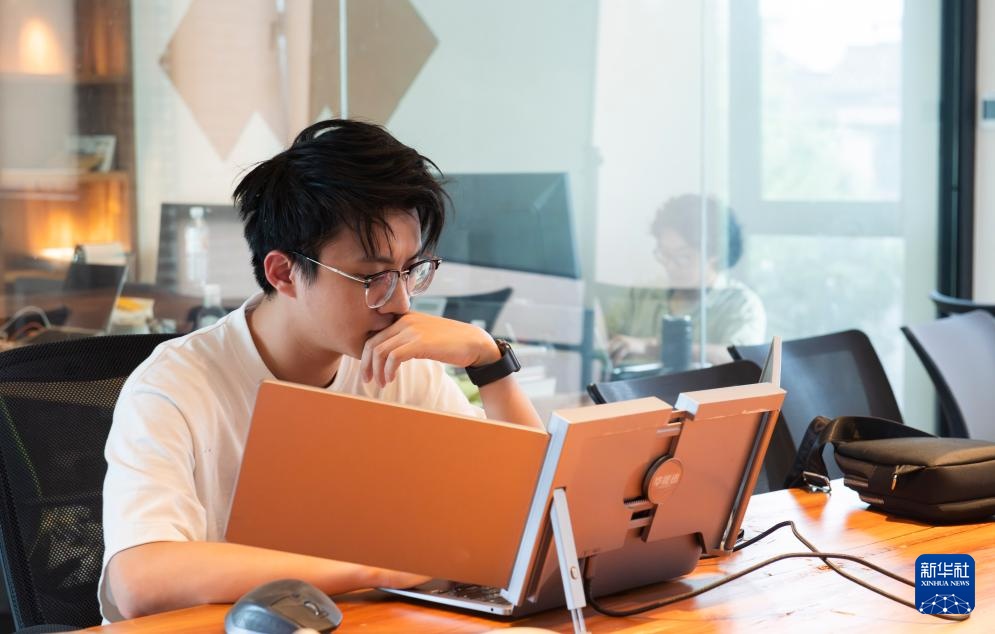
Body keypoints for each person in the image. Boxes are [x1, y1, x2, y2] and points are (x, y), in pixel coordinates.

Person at [99, 119, 543, 621]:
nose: (399, 302)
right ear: (283, 273)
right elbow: (141, 580)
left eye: (410, 271)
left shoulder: (399, 362)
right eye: (372, 277)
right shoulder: (174, 385)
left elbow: (530, 522)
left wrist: (489, 362)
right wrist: (375, 566)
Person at [603, 194, 766, 367]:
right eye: (664, 254)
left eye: (683, 258)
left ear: (715, 255)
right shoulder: (643, 293)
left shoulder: (741, 304)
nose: (670, 266)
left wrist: (651, 348)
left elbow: (741, 360)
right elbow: (606, 337)